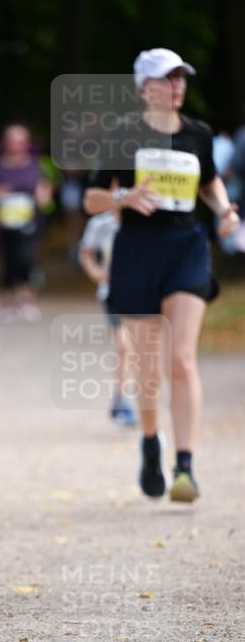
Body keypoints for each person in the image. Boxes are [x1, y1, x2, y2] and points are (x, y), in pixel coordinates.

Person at [84, 48, 239, 502]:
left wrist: (224, 209)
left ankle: (185, 466)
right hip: (137, 251)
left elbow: (208, 181)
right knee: (149, 369)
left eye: (181, 78)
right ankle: (151, 442)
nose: (176, 86)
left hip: (187, 247)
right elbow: (93, 197)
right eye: (166, 79)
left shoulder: (198, 134)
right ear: (143, 87)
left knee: (182, 359)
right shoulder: (123, 134)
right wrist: (124, 198)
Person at [78, 210, 137, 426]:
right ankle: (123, 399)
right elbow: (86, 253)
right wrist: (96, 273)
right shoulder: (100, 223)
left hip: (144, 291)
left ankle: (130, 396)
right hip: (112, 292)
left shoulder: (147, 220)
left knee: (141, 348)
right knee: (124, 344)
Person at [0, 124, 52, 322]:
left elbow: (46, 190)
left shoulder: (37, 165)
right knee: (8, 261)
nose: (16, 145)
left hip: (30, 222)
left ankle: (27, 301)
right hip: (4, 223)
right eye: (12, 140)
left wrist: (43, 196)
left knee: (27, 259)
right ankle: (8, 302)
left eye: (21, 140)